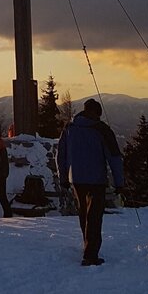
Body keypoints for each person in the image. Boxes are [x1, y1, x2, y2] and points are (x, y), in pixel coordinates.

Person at [56, 98, 125, 266]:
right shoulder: (101, 129)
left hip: (76, 179)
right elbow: (114, 157)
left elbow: (61, 154)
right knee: (94, 216)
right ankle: (90, 254)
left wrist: (64, 178)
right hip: (96, 179)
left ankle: (87, 245)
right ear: (97, 113)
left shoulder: (69, 127)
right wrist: (119, 183)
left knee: (84, 214)